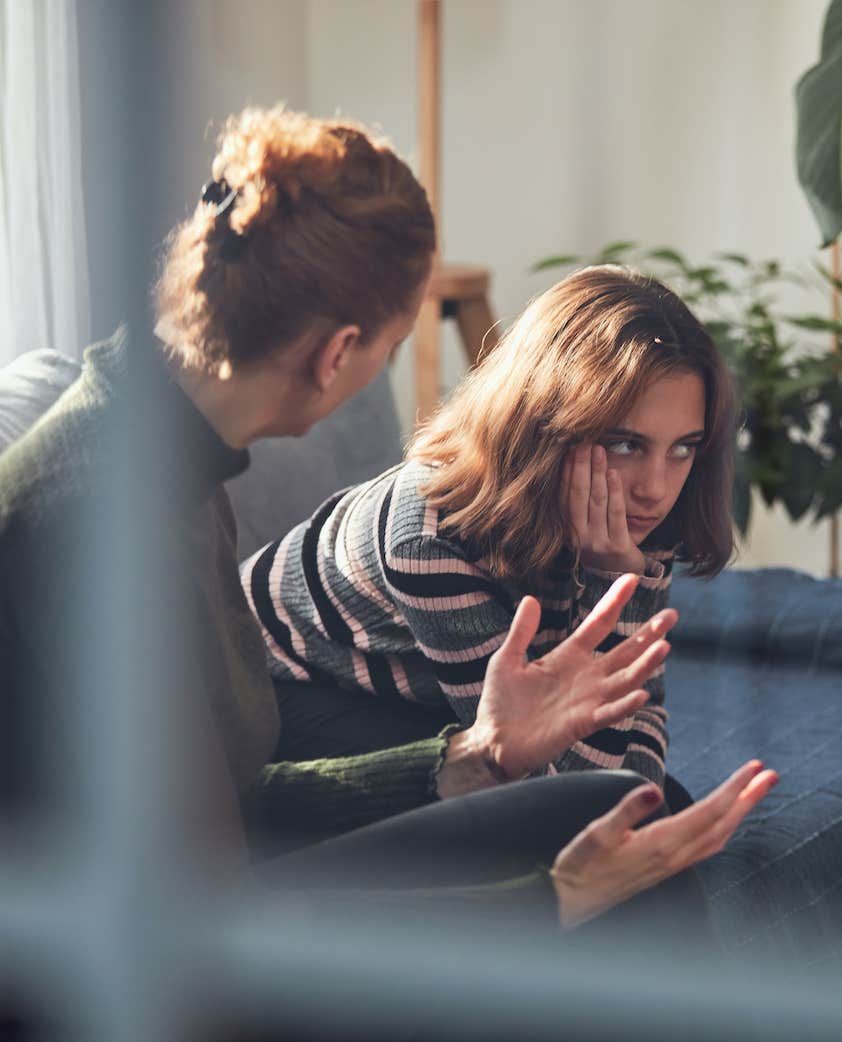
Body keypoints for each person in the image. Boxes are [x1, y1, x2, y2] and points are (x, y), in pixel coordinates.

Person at [0, 105, 776, 937]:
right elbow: (200, 909)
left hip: (201, 885)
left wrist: (472, 758)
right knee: (622, 871)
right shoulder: (98, 522)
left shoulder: (167, 466)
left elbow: (234, 804)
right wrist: (550, 899)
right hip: (125, 947)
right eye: (396, 343)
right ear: (339, 354)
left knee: (632, 816)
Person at [242, 265, 735, 793]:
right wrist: (613, 584)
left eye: (683, 447)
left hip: (431, 695)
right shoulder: (430, 538)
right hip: (279, 691)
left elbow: (640, 714)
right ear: (547, 424)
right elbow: (548, 782)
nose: (656, 489)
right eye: (624, 444)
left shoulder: (633, 516)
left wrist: (616, 578)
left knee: (658, 805)